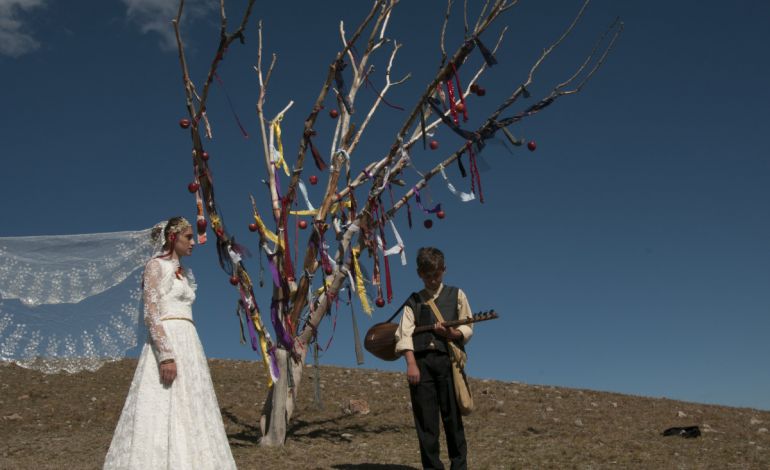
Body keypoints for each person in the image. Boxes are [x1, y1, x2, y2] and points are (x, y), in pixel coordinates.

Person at [104, 217, 237, 469]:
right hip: (169, 338)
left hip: (189, 343)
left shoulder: (185, 274)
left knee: (193, 405)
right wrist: (165, 354)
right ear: (173, 237)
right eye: (188, 237)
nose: (193, 242)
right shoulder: (156, 266)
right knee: (164, 405)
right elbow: (151, 312)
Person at [395, 247, 474, 470]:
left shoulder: (457, 295)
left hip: (448, 362)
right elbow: (404, 334)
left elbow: (467, 326)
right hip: (421, 365)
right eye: (427, 276)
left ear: (444, 270)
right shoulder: (414, 300)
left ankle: (459, 466)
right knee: (426, 422)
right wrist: (411, 364)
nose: (432, 280)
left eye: (436, 275)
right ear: (420, 274)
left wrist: (452, 334)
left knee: (453, 419)